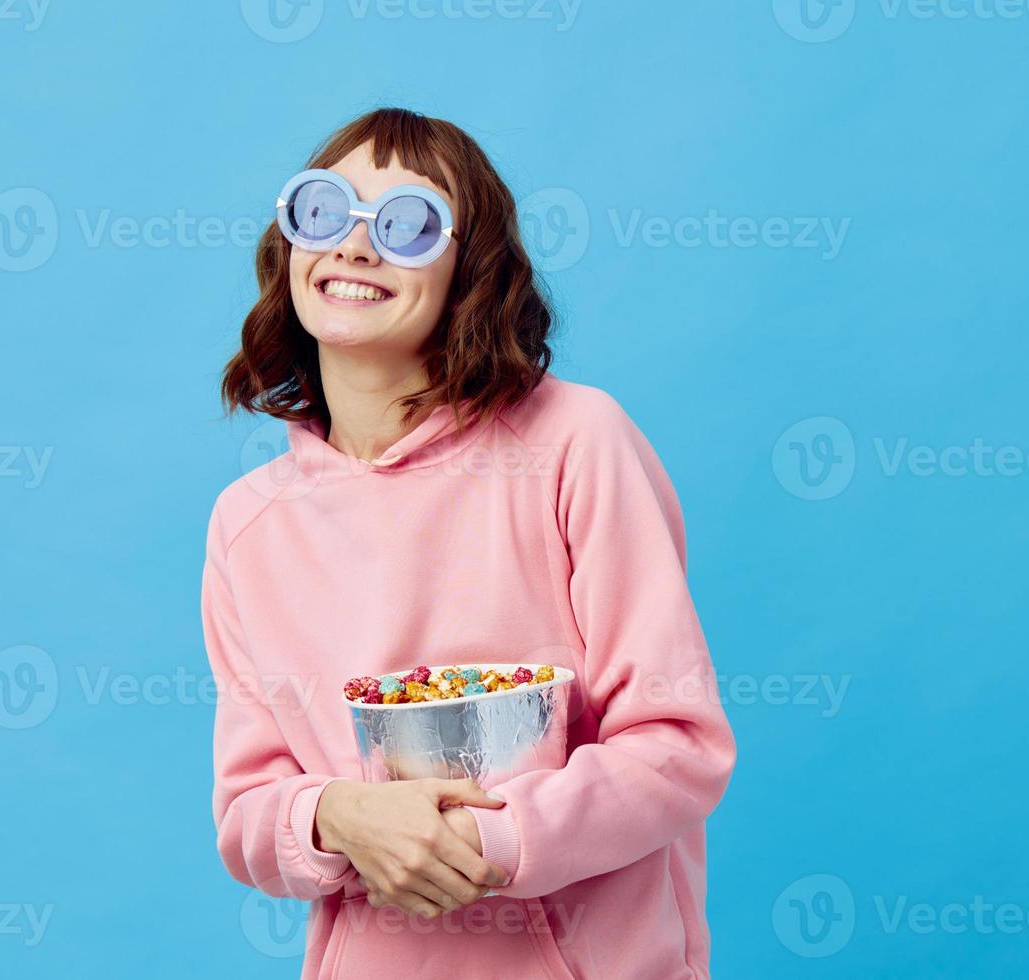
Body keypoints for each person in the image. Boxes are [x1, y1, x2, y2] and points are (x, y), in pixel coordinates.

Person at [205, 106, 736, 978]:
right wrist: (338, 815)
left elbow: (677, 745)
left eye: (408, 225)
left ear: (469, 271)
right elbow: (248, 814)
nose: (355, 245)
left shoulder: (575, 442)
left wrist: (486, 838)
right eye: (323, 211)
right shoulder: (247, 523)